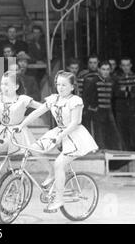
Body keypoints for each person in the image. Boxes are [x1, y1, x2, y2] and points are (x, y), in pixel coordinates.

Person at [16, 71, 98, 211]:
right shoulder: (54, 99)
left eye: (64, 85)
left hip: (74, 135)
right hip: (59, 131)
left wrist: (61, 136)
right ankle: (51, 173)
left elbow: (75, 122)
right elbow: (37, 112)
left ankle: (59, 200)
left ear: (72, 87)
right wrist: (21, 125)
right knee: (33, 149)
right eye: (58, 84)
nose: (60, 87)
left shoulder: (75, 101)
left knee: (59, 163)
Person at [0, 71, 42, 196]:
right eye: (2, 84)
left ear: (16, 86)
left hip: (16, 133)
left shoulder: (22, 99)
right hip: (2, 131)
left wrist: (57, 106)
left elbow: (42, 107)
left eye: (7, 84)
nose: (3, 87)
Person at [114, 57, 135, 162]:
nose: (125, 67)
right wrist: (128, 91)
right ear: (120, 66)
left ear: (131, 65)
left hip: (134, 110)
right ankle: (126, 158)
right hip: (121, 110)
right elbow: (116, 92)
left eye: (127, 65)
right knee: (123, 134)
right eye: (123, 65)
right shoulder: (116, 78)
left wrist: (126, 90)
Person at [83, 61, 123, 150]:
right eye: (103, 69)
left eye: (108, 69)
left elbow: (116, 95)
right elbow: (86, 97)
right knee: (99, 135)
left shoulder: (112, 81)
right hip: (97, 112)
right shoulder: (94, 81)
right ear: (99, 70)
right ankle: (101, 153)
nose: (105, 72)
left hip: (108, 111)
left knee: (113, 133)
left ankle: (114, 152)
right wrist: (92, 109)